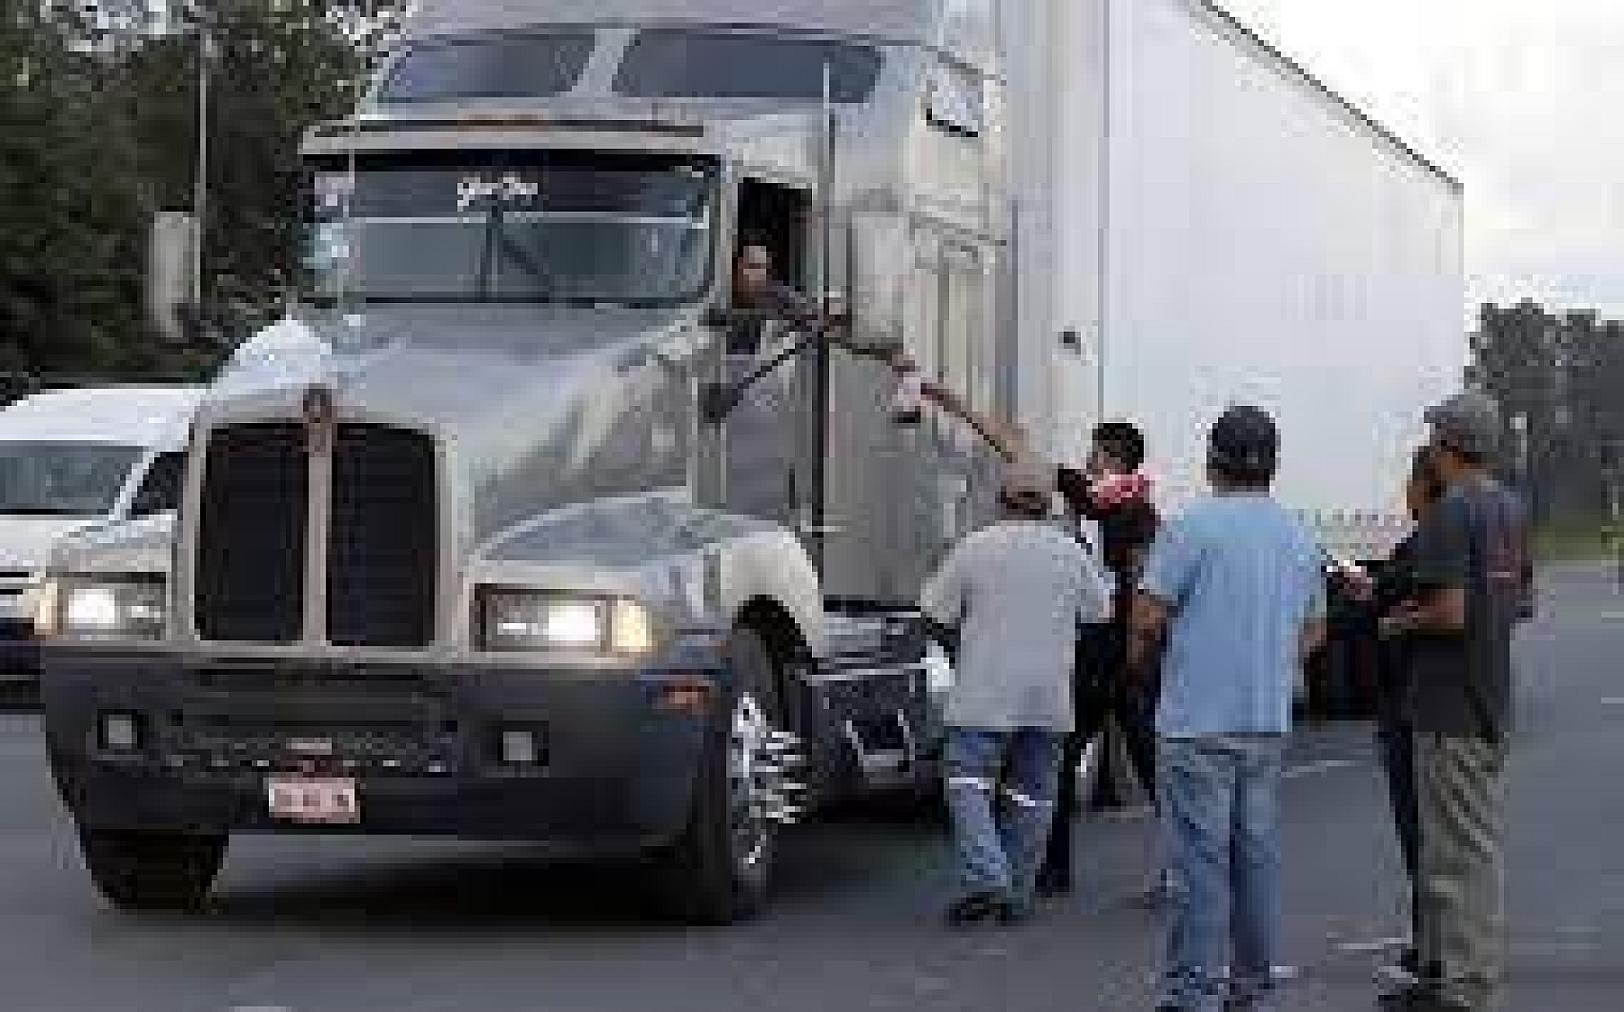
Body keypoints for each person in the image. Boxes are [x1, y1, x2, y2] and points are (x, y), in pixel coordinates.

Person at [903, 383, 1163, 895]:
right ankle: (1171, 863)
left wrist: (957, 407)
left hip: (1098, 646)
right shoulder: (1133, 509)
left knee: (1067, 763)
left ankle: (1053, 869)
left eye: (1096, 452)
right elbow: (1142, 577)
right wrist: (1139, 649)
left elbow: (1015, 448)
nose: (1088, 459)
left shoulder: (1096, 499)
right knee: (1134, 760)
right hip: (1113, 644)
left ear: (1113, 459)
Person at [1129, 406, 1327, 1011]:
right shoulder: (1298, 534)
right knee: (1254, 859)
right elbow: (1314, 629)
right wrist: (1266, 659)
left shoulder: (1190, 528)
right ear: (1272, 464)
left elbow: (1148, 616)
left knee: (1200, 865)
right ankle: (1251, 984)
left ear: (1213, 459)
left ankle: (1194, 992)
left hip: (1196, 721)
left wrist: (1162, 652)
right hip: (1265, 720)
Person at [1378, 393, 1531, 1012]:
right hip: (1491, 693)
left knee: (1457, 855)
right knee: (1469, 846)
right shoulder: (1510, 509)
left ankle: (1466, 987)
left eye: (1435, 437)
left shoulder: (1452, 512)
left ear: (1448, 445)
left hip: (1448, 705)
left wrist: (1398, 622)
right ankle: (1453, 976)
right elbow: (1520, 603)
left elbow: (1449, 612)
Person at [920, 455, 1113, 926]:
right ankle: (1016, 889)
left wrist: (959, 649)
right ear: (1048, 503)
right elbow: (1100, 613)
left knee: (967, 784)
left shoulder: (976, 547)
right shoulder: (1071, 552)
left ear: (1000, 498)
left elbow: (934, 611)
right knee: (1032, 795)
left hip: (984, 689)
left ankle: (990, 880)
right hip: (1048, 694)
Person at [1369, 446, 1448, 995]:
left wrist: (1391, 618)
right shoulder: (1447, 540)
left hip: (1413, 704)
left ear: (1425, 486)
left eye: (1410, 480)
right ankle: (1432, 946)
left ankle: (1432, 955)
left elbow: (1411, 604)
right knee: (1431, 834)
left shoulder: (1429, 545)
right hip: (1429, 703)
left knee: (1421, 833)